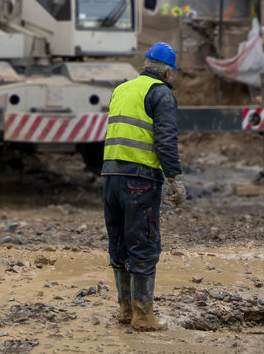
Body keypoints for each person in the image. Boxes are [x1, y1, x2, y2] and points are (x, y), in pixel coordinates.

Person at [102, 41, 187, 330]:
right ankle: (143, 315)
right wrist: (175, 179)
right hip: (139, 181)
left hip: (110, 177)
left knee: (119, 242)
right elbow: (165, 141)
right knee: (144, 243)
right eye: (171, 72)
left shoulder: (122, 89)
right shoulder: (160, 93)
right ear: (166, 72)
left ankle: (125, 310)